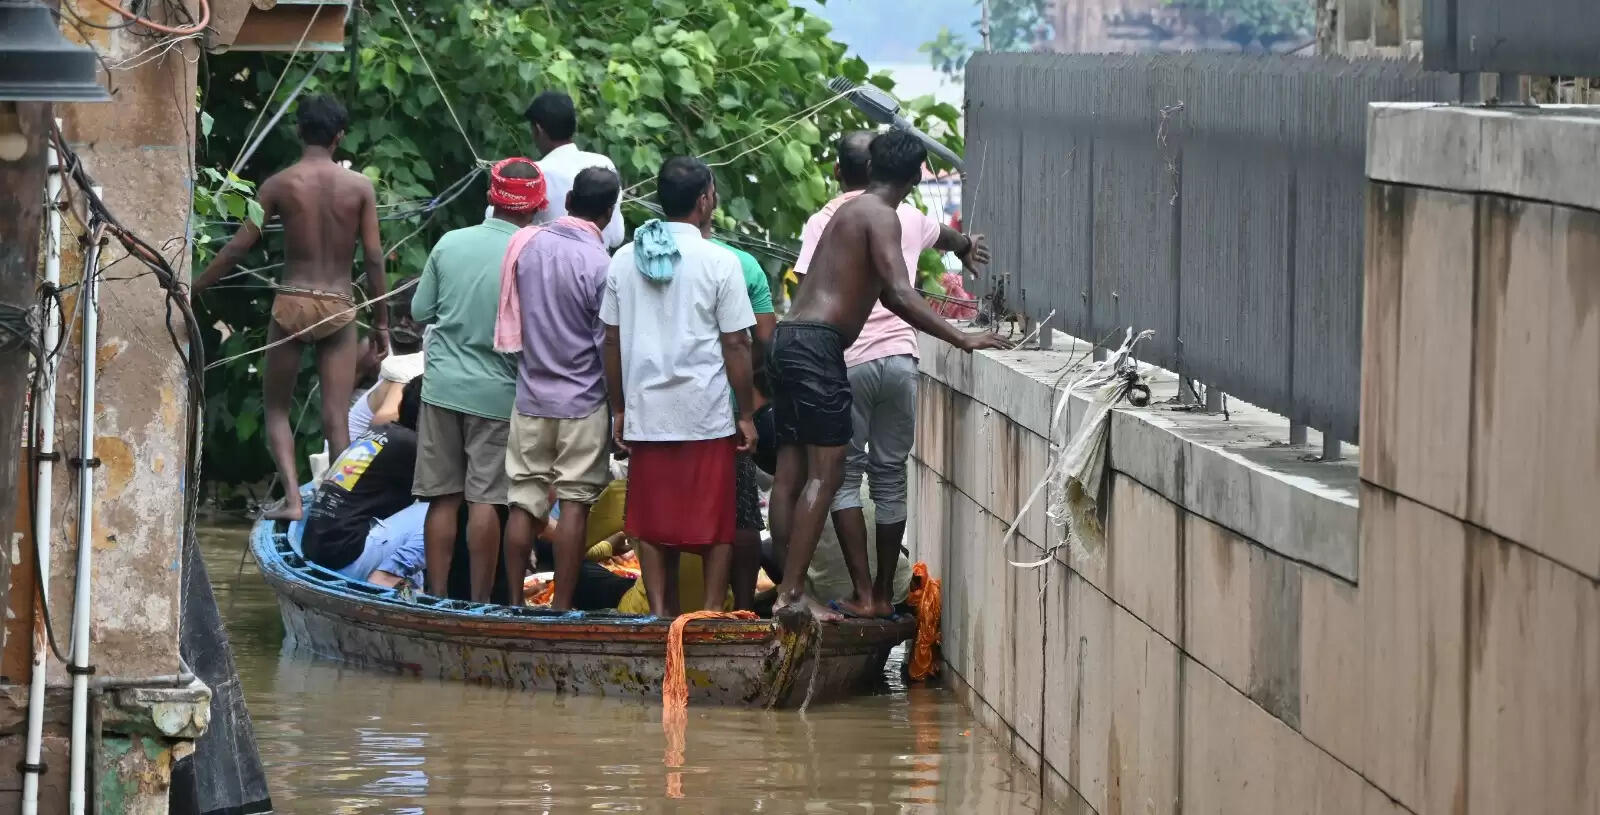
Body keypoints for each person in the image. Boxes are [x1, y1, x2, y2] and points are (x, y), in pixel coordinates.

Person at [768, 131, 1011, 625]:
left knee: (792, 473)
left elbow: (890, 279)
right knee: (828, 472)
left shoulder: (849, 212)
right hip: (817, 347)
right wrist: (963, 338)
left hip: (793, 340)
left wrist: (960, 246)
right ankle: (791, 597)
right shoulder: (879, 215)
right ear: (918, 175)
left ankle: (789, 590)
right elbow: (898, 294)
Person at [192, 94, 387, 521]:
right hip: (338, 305)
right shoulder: (360, 188)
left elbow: (237, 250)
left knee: (277, 409)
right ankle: (340, 511)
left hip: (292, 304)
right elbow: (373, 257)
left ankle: (295, 502)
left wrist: (194, 287)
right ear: (339, 137)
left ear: (299, 131)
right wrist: (383, 325)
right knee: (336, 416)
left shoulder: (279, 184)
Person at [601, 157, 757, 618]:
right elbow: (737, 344)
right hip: (705, 411)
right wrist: (745, 414)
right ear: (705, 200)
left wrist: (620, 408)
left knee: (651, 521)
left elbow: (611, 340)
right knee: (715, 521)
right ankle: (710, 612)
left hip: (647, 409)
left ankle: (661, 615)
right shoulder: (721, 261)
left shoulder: (625, 258)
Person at [413, 158, 547, 602]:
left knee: (443, 498)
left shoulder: (451, 243)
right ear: (538, 205)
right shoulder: (536, 252)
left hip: (442, 388)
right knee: (487, 499)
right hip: (498, 394)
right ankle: (478, 602)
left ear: (492, 197)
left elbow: (420, 312)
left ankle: (434, 595)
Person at [498, 166, 622, 609]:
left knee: (522, 501)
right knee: (574, 505)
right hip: (583, 403)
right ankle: (561, 608)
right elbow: (604, 344)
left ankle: (513, 604)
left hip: (530, 396)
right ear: (608, 214)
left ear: (567, 200)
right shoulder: (601, 265)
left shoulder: (526, 247)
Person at [704, 236, 777, 611]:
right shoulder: (742, 263)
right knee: (740, 508)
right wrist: (749, 407)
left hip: (660, 408)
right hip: (727, 405)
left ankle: (664, 613)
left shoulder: (642, 255)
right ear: (706, 200)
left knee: (667, 510)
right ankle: (740, 608)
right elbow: (762, 337)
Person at [301, 377, 426, 585]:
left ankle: (407, 585)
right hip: (347, 558)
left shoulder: (380, 433)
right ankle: (389, 576)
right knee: (443, 507)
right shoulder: (411, 445)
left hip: (319, 553)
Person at [525, 91, 627, 249]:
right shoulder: (603, 164)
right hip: (600, 266)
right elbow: (616, 237)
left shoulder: (535, 173)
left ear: (538, 129)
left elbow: (502, 222)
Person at [348, 280, 425, 440]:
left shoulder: (429, 350)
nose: (403, 322)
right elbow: (338, 399)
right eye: (398, 314)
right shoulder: (375, 346)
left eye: (411, 317)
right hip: (360, 439)